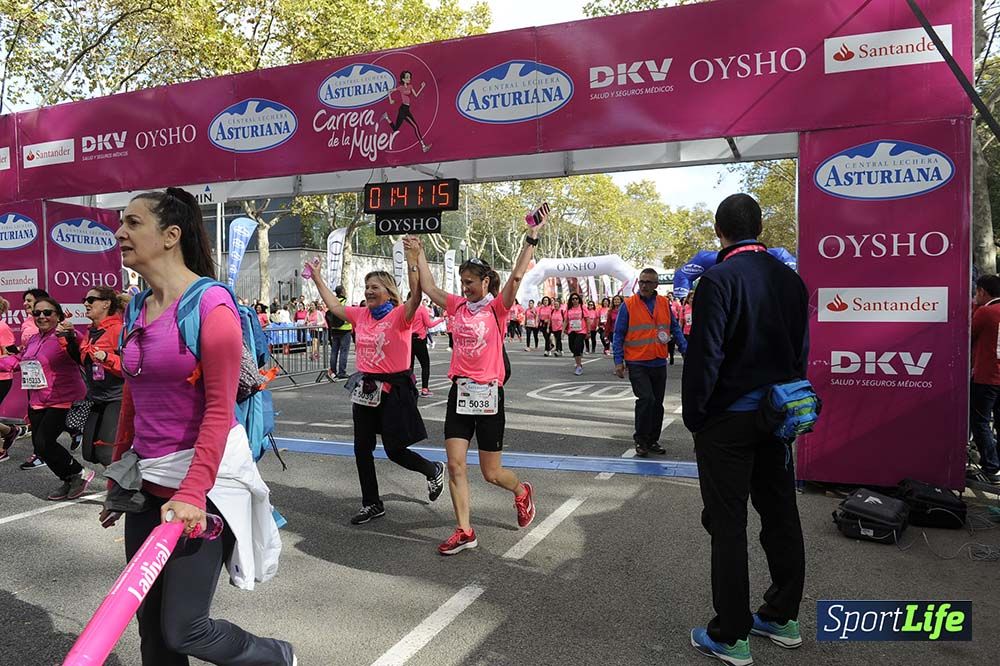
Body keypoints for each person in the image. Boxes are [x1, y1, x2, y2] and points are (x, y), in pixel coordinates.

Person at [106, 187, 295, 665]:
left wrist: (192, 492)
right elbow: (133, 393)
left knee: (183, 629)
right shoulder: (135, 305)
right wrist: (116, 475)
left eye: (132, 223)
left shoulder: (212, 305)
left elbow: (218, 408)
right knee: (150, 626)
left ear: (171, 236)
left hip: (204, 485)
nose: (119, 232)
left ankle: (276, 656)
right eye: (121, 222)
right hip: (149, 486)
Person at [682, 193, 808, 664]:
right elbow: (800, 353)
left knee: (728, 525)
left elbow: (705, 359)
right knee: (781, 516)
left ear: (721, 231)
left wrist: (696, 417)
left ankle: (731, 635)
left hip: (729, 422)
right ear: (760, 228)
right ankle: (781, 616)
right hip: (778, 416)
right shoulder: (791, 281)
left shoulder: (717, 280)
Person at [410, 212, 544, 556]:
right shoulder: (456, 306)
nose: (465, 287)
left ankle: (521, 491)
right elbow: (427, 287)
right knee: (455, 465)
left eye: (470, 281)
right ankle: (465, 530)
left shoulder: (498, 309)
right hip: (460, 393)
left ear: (486, 282)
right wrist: (419, 252)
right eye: (462, 281)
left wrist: (531, 238)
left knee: (491, 473)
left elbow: (516, 277)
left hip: (489, 396)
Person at [307, 257, 444, 525]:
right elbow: (333, 306)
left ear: (389, 292)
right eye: (367, 287)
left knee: (394, 450)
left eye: (375, 287)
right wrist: (316, 277)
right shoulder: (361, 315)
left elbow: (416, 296)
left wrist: (414, 262)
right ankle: (371, 503)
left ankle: (432, 469)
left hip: (395, 389)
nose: (369, 291)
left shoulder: (400, 315)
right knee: (362, 449)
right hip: (366, 388)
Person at [0, 297, 93, 497]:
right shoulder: (34, 339)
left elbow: (81, 353)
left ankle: (78, 472)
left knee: (44, 442)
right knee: (40, 447)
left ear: (57, 315)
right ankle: (69, 478)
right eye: (37, 313)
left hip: (62, 398)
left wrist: (68, 335)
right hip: (37, 399)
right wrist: (3, 363)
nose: (41, 316)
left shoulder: (67, 335)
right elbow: (21, 360)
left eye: (47, 312)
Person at [613, 270, 686, 457]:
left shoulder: (663, 303)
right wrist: (618, 361)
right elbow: (618, 334)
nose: (644, 285)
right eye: (641, 282)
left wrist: (686, 350)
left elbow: (675, 328)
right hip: (637, 362)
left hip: (658, 361)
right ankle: (641, 440)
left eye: (648, 282)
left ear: (656, 284)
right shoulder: (628, 305)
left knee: (657, 404)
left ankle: (653, 439)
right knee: (646, 400)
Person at [61, 287, 124, 468]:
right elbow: (83, 362)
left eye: (91, 300)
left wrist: (108, 358)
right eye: (84, 300)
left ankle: (128, 488)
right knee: (89, 453)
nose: (86, 304)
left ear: (106, 303)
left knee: (105, 453)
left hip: (118, 397)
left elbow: (130, 366)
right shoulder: (92, 331)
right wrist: (69, 337)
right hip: (97, 397)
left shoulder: (118, 330)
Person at [969, 274, 1000, 485]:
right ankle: (996, 465)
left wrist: (973, 308)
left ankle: (991, 465)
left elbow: (967, 333)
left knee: (979, 421)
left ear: (982, 291)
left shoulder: (986, 312)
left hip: (986, 377)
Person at [381, 70, 431, 153]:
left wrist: (422, 87)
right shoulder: (400, 88)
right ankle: (423, 146)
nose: (409, 79)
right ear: (403, 79)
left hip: (406, 109)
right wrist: (390, 100)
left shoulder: (410, 86)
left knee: (395, 128)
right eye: (407, 77)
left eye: (409, 77)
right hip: (403, 110)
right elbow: (389, 91)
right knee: (415, 126)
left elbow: (416, 95)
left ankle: (386, 117)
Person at [411, 297, 443, 397]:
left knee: (409, 366)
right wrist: (441, 320)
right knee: (425, 365)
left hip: (407, 339)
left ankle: (409, 388)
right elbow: (429, 324)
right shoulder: (421, 309)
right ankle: (425, 389)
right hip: (419, 339)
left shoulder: (405, 309)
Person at [326, 285, 353, 380]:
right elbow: (350, 314)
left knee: (334, 351)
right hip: (345, 329)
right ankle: (342, 372)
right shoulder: (346, 302)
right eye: (344, 290)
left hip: (334, 329)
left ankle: (333, 371)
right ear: (342, 292)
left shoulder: (333, 302)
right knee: (344, 351)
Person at [564, 293, 589, 376]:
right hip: (572, 330)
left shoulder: (582, 308)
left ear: (579, 300)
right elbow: (566, 320)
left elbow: (587, 319)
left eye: (576, 298)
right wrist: (562, 331)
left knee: (577, 345)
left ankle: (578, 366)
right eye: (573, 299)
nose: (575, 300)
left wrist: (588, 331)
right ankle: (578, 359)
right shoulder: (569, 309)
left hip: (581, 330)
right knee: (572, 347)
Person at [668, 292, 683, 366]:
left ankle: (671, 357)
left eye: (670, 296)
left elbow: (679, 312)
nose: (669, 297)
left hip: (674, 321)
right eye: (668, 296)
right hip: (666, 325)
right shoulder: (666, 303)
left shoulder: (675, 304)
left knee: (672, 342)